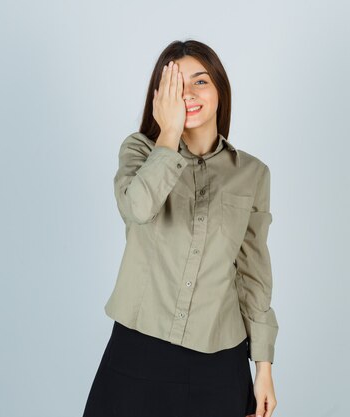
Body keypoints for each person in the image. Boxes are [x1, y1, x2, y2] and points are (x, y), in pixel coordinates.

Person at [83, 39, 279, 417]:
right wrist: (168, 135)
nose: (188, 93)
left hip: (219, 363)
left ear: (220, 89)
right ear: (160, 96)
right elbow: (137, 208)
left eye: (200, 82)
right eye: (176, 84)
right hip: (139, 351)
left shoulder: (252, 174)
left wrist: (264, 369)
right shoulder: (139, 151)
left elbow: (254, 276)